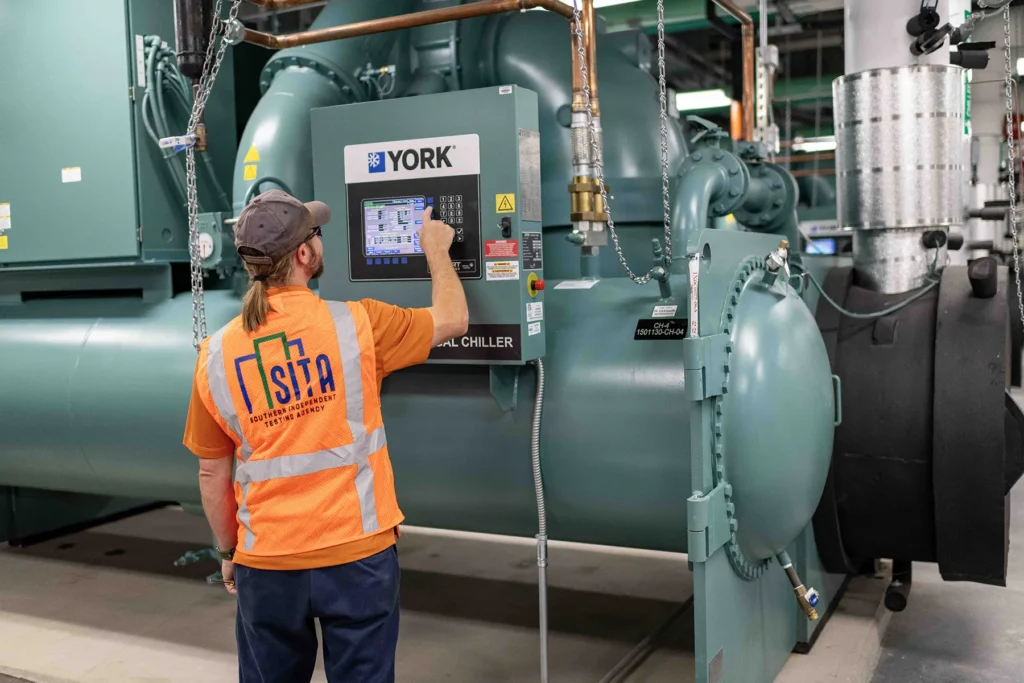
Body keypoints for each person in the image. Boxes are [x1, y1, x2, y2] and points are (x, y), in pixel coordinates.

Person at [182, 189, 468, 683]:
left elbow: (212, 469)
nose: (319, 238)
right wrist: (437, 251)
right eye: (315, 232)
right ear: (304, 254)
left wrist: (230, 552)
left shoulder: (215, 354)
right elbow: (452, 320)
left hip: (266, 562)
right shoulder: (358, 323)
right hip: (356, 557)